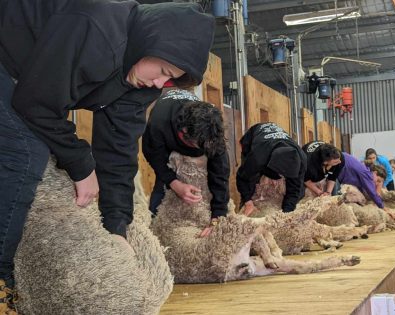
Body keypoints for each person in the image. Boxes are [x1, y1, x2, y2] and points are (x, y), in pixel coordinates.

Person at [0, 0, 215, 310]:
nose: (158, 83)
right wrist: (81, 164)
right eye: (163, 71)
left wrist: (116, 227)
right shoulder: (96, 27)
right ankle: (2, 281)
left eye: (168, 81)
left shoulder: (143, 83)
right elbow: (35, 103)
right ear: (150, 41)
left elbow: (118, 150)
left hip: (22, 72)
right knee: (25, 152)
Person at [142, 89, 229, 237]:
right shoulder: (158, 123)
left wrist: (218, 216)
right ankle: (155, 232)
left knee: (211, 195)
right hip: (167, 148)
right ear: (183, 133)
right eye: (198, 145)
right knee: (158, 207)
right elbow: (154, 157)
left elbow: (220, 173)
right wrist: (174, 183)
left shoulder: (212, 132)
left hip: (197, 137)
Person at [236, 123, 307, 216]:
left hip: (274, 148)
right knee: (250, 178)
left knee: (298, 190)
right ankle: (246, 205)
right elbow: (242, 178)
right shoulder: (257, 157)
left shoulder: (302, 159)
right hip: (254, 138)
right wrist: (247, 201)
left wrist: (286, 214)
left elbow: (295, 189)